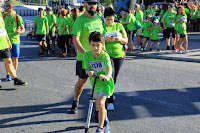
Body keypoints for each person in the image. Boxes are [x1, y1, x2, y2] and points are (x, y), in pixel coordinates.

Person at [70, 0, 103, 114]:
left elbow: (101, 38)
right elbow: (75, 39)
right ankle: (75, 101)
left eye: (94, 4)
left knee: (98, 84)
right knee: (82, 82)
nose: (93, 6)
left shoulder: (98, 19)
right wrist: (86, 54)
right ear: (85, 5)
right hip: (83, 58)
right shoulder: (80, 20)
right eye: (90, 4)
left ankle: (98, 110)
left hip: (98, 58)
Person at [83, 31, 114, 133]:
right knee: (98, 106)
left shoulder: (104, 56)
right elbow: (86, 69)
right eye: (93, 45)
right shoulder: (87, 55)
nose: (95, 48)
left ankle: (100, 127)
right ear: (89, 44)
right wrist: (89, 72)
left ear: (102, 45)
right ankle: (105, 123)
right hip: (95, 82)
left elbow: (109, 68)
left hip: (105, 83)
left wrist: (107, 76)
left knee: (101, 103)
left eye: (98, 45)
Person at [103, 7, 128, 111]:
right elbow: (97, 40)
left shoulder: (119, 25)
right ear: (104, 18)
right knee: (111, 76)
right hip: (107, 55)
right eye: (108, 19)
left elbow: (126, 40)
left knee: (115, 77)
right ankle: (110, 101)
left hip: (119, 55)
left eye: (112, 19)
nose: (110, 22)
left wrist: (119, 39)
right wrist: (105, 39)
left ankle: (110, 94)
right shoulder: (102, 27)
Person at [0, 13, 27, 86]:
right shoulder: (4, 16)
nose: (2, 8)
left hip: (4, 44)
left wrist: (8, 41)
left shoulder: (1, 16)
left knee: (9, 61)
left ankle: (15, 79)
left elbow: (3, 29)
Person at [3, 1, 25, 81]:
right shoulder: (4, 16)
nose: (3, 7)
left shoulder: (17, 17)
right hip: (5, 41)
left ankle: (14, 74)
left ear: (10, 7)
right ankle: (8, 74)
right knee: (7, 59)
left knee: (15, 58)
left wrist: (20, 32)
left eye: (5, 6)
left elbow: (23, 29)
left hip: (15, 41)